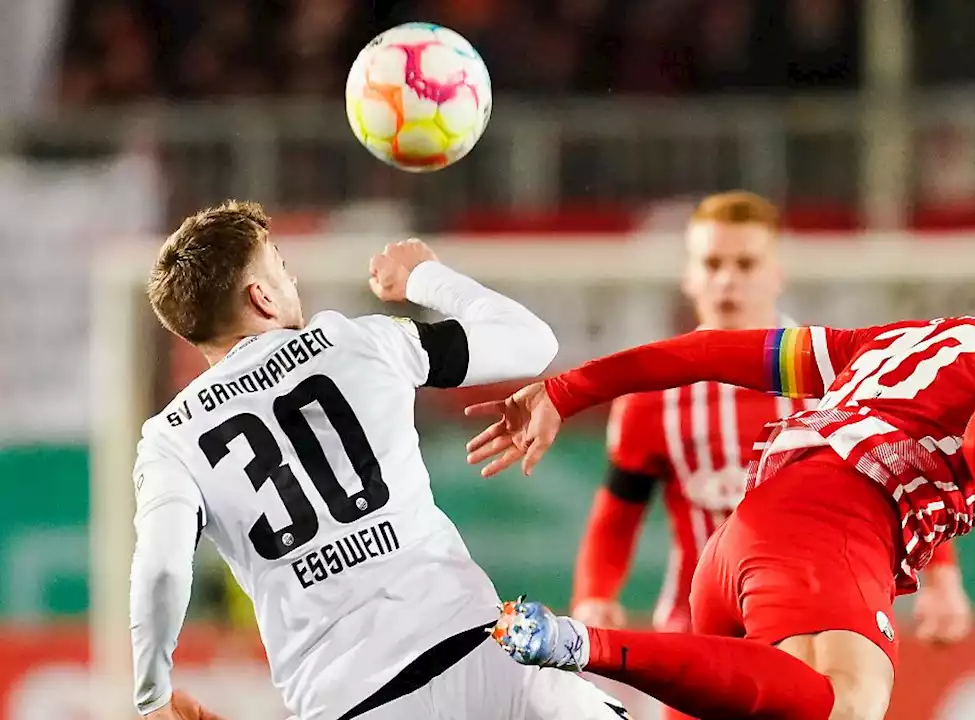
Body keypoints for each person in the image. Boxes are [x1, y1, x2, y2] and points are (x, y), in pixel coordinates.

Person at [466, 285, 975, 720]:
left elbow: (710, 353)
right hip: (827, 534)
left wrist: (566, 391)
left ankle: (578, 658)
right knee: (850, 700)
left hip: (746, 544)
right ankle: (580, 646)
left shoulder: (907, 341)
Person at [129, 201, 630, 720]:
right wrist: (425, 278)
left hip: (350, 702)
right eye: (280, 266)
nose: (291, 279)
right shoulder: (358, 341)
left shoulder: (170, 438)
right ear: (261, 297)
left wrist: (153, 696)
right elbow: (533, 343)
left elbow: (161, 570)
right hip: (486, 661)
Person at [572, 192, 971, 720]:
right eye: (712, 264)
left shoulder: (832, 375)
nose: (727, 280)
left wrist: (943, 580)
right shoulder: (653, 401)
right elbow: (616, 515)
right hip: (701, 634)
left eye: (745, 264)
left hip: (814, 621)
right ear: (689, 276)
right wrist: (594, 594)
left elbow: (895, 474)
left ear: (776, 273)